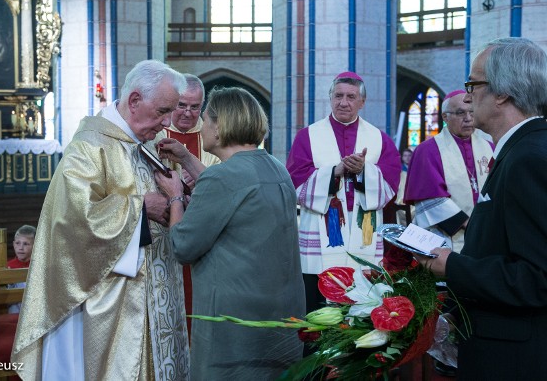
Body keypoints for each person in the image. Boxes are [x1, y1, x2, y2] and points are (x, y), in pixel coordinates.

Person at [12, 60, 190, 380]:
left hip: (155, 288)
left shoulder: (142, 146)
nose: (166, 123)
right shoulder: (90, 144)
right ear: (134, 101)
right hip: (114, 298)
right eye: (163, 111)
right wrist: (139, 208)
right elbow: (72, 220)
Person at [417, 37, 547, 380]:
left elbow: (537, 279)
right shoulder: (524, 149)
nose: (469, 95)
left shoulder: (528, 158)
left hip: (513, 357)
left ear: (502, 93)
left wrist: (452, 266)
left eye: (473, 83)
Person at [155, 86, 305, 380]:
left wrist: (174, 197)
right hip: (280, 312)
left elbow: (183, 245)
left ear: (221, 127)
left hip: (235, 319)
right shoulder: (276, 168)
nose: (202, 128)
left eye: (207, 120)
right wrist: (187, 160)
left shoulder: (221, 176)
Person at [286, 71, 401, 314]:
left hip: (363, 235)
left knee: (362, 307)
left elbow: (390, 185)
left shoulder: (379, 139)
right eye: (338, 96)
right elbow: (295, 181)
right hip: (321, 237)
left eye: (351, 97)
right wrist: (335, 171)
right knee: (318, 311)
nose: (344, 102)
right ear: (330, 98)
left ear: (362, 101)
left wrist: (363, 171)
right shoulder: (308, 136)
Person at [153, 74, 220, 338]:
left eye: (195, 107)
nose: (188, 113)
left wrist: (198, 183)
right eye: (181, 105)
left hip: (201, 236)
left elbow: (223, 184)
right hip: (161, 233)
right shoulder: (156, 130)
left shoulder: (212, 135)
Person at [404, 89, 493, 253]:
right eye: (460, 113)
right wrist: (469, 225)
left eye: (471, 112)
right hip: (446, 237)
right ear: (445, 117)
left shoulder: (489, 147)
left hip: (486, 233)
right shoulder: (428, 150)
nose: (468, 119)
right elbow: (429, 197)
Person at [7, 225, 36, 314]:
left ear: (35, 245)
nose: (20, 247)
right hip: (14, 313)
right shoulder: (8, 267)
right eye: (17, 243)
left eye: (26, 244)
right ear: (13, 244)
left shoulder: (39, 265)